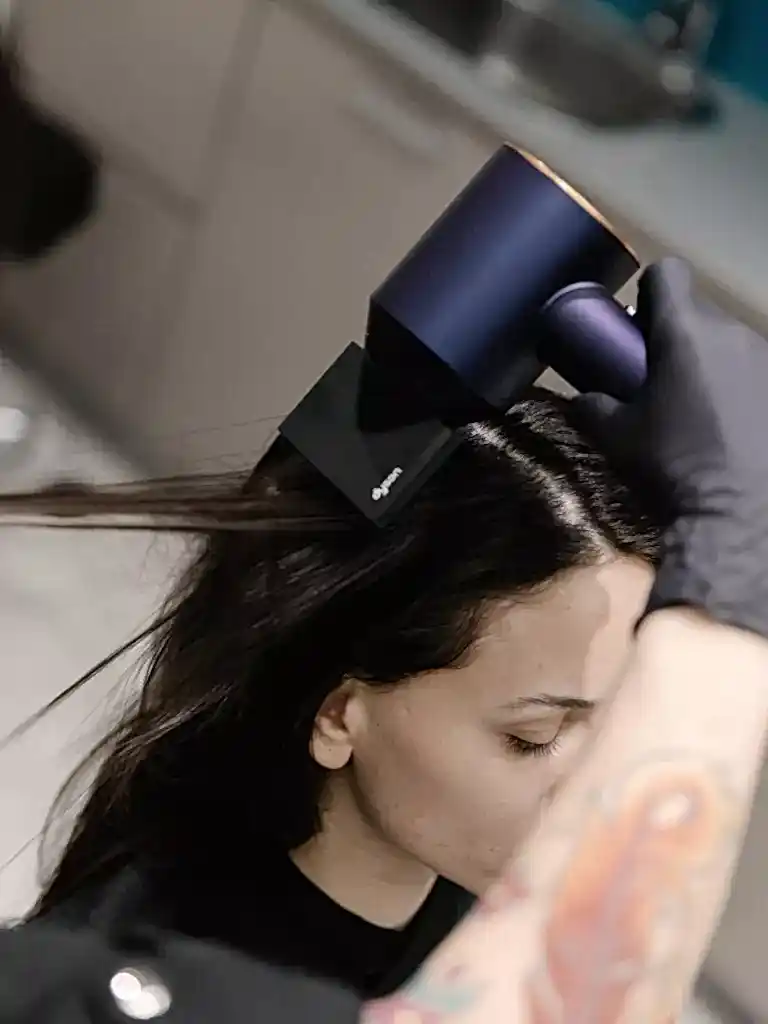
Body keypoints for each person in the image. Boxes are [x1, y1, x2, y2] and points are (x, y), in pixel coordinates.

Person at [2, 257, 768, 1024]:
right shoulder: (170, 985)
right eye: (532, 737)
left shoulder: (467, 885)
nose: (596, 783)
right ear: (339, 714)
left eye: (616, 714)